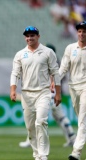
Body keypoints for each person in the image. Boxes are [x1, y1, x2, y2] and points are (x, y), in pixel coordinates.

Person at [10, 26, 61, 160]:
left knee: (41, 122)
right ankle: (37, 154)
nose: (29, 38)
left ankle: (43, 155)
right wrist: (13, 90)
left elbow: (55, 73)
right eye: (27, 36)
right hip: (26, 94)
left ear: (38, 36)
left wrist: (58, 93)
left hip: (43, 92)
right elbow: (15, 73)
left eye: (32, 35)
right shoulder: (20, 54)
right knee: (30, 127)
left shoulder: (48, 52)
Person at [19, 44, 75, 148]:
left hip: (47, 93)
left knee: (36, 116)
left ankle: (31, 141)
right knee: (60, 117)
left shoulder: (48, 62)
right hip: (55, 93)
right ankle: (71, 137)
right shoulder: (57, 62)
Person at [59, 21, 86, 160]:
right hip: (73, 87)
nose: (81, 34)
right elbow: (63, 67)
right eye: (80, 31)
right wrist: (55, 81)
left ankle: (76, 152)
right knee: (81, 119)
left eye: (84, 31)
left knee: (82, 120)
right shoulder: (70, 48)